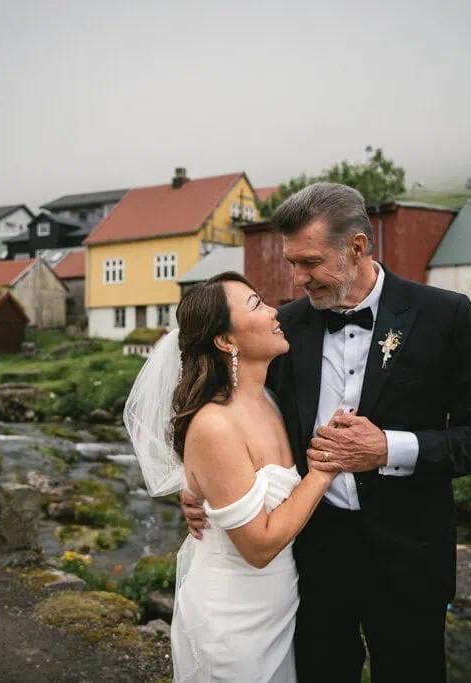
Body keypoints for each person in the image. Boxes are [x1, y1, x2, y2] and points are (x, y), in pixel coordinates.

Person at [180, 183, 471, 682]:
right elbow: (224, 412)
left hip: (409, 554)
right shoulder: (284, 328)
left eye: (309, 262)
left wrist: (388, 449)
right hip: (310, 556)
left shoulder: (444, 315)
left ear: (357, 247)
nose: (296, 279)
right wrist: (199, 486)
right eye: (292, 263)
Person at [125, 272, 344, 682]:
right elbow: (258, 547)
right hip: (232, 619)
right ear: (225, 341)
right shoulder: (215, 425)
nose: (274, 310)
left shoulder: (272, 400)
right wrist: (325, 468)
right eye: (256, 305)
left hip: (279, 607)